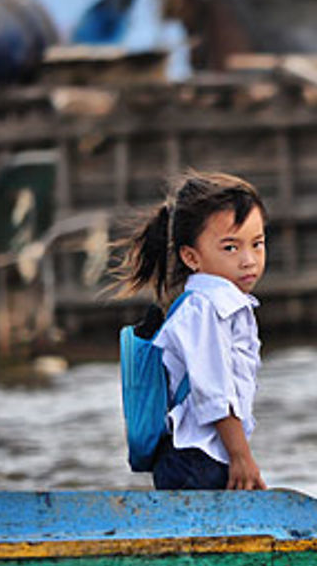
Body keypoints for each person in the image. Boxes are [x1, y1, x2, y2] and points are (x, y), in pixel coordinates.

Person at [111, 171, 268, 490]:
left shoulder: (223, 305)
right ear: (191, 257)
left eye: (257, 244)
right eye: (230, 248)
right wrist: (241, 455)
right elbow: (214, 390)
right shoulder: (203, 308)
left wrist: (236, 454)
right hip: (194, 459)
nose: (249, 260)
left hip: (206, 455)